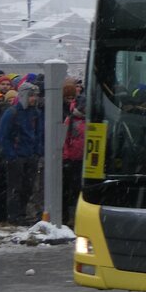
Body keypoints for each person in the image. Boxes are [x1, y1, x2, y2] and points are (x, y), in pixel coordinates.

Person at [0, 81, 45, 225]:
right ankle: (14, 216)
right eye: (31, 96)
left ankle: (23, 214)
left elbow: (38, 134)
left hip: (30, 156)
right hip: (17, 157)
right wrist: (12, 155)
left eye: (36, 96)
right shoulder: (12, 113)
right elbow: (4, 136)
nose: (34, 99)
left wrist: (37, 152)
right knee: (15, 188)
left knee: (28, 188)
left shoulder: (36, 114)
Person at [62, 93, 87, 224]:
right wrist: (66, 158)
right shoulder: (70, 120)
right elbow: (64, 140)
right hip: (72, 160)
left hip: (84, 160)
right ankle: (69, 217)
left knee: (79, 189)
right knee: (71, 189)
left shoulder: (89, 119)